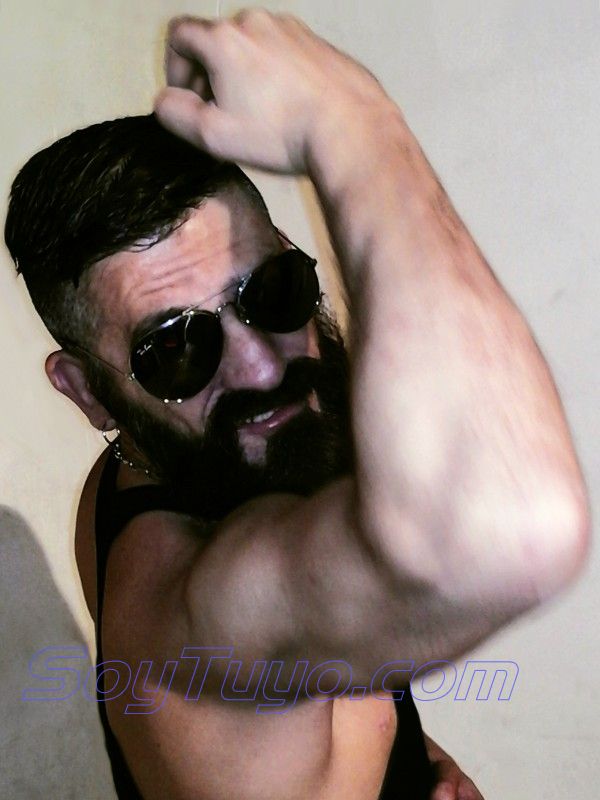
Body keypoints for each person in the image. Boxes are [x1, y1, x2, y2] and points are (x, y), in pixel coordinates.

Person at [4, 9, 590, 800]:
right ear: (86, 392)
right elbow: (515, 533)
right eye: (175, 348)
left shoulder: (143, 474)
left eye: (272, 292)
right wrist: (355, 122)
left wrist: (407, 757)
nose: (260, 366)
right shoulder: (195, 611)